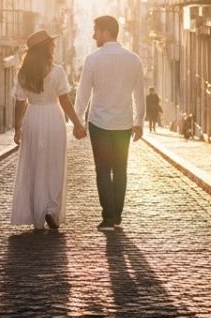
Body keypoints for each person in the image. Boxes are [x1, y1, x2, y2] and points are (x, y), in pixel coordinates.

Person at [9, 29, 86, 231]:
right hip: (54, 117)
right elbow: (65, 100)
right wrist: (77, 123)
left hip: (32, 117)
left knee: (34, 164)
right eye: (51, 43)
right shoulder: (57, 71)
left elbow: (19, 102)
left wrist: (17, 128)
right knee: (54, 163)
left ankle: (36, 212)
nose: (54, 46)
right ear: (46, 49)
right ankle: (51, 209)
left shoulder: (23, 73)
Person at [73, 15, 145, 230]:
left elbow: (83, 94)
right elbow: (139, 93)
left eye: (95, 30)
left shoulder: (93, 60)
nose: (93, 35)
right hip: (123, 123)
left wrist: (78, 121)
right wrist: (139, 121)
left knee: (103, 170)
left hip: (99, 123)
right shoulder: (134, 59)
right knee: (120, 169)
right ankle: (117, 215)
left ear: (106, 31)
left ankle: (108, 216)